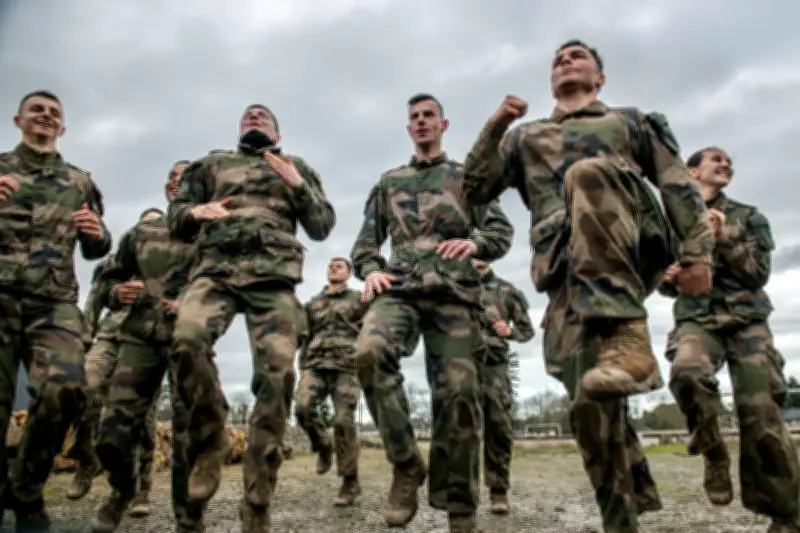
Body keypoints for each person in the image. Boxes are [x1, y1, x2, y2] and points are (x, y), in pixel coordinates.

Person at [459, 40, 715, 533]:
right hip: (566, 273)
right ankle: (624, 515)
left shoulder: (630, 122)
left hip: (632, 245)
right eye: (558, 59)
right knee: (589, 401)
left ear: (600, 78)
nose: (565, 61)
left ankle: (629, 335)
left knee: (587, 173)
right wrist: (495, 125)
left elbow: (677, 184)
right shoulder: (526, 137)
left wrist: (698, 254)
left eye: (577, 56)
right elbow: (471, 191)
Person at [166, 104, 336, 532]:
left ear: (278, 132)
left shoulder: (296, 167)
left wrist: (297, 185)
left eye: (263, 116)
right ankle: (212, 439)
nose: (254, 117)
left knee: (279, 377)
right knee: (185, 339)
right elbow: (176, 217)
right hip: (215, 271)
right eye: (248, 115)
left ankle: (258, 496)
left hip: (273, 278)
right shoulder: (211, 164)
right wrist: (193, 213)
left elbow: (321, 225)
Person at [350, 93, 513, 533]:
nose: (422, 121)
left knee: (460, 393)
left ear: (444, 125)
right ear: (409, 129)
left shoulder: (466, 178)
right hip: (399, 288)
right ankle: (406, 465)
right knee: (368, 352)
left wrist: (476, 243)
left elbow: (500, 231)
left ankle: (459, 506)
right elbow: (365, 245)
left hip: (453, 293)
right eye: (415, 117)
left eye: (429, 116)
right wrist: (370, 271)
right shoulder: (390, 182)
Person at [660, 147, 800, 533]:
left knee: (763, 415)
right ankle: (713, 452)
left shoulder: (749, 216)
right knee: (686, 373)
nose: (725, 164)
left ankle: (786, 517)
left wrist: (723, 239)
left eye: (729, 162)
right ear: (692, 172)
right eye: (716, 159)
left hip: (747, 322)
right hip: (697, 319)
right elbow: (662, 281)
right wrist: (668, 278)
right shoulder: (672, 222)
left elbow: (758, 273)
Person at [0, 90, 111, 531]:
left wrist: (97, 233)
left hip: (54, 301)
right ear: (18, 120)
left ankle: (26, 492)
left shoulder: (79, 181)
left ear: (62, 126)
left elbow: (97, 247)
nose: (45, 116)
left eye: (54, 113)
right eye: (37, 110)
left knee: (65, 389)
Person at [66, 206, 172, 511]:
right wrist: (85, 338)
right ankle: (86, 460)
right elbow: (95, 298)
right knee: (85, 387)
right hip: (110, 335)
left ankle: (142, 490)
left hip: (147, 343)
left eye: (158, 226)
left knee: (144, 420)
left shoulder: (171, 264)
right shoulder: (115, 263)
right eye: (146, 226)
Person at [294, 257, 367, 507]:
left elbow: (370, 330)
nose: (333, 268)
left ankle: (350, 482)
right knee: (302, 407)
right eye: (330, 265)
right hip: (316, 365)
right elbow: (305, 337)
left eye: (339, 266)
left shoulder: (359, 299)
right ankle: (324, 445)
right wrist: (302, 367)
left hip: (347, 366)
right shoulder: (313, 303)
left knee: (343, 421)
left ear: (349, 273)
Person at [472, 259, 534, 515]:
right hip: (460, 363)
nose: (479, 256)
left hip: (494, 365)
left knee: (498, 425)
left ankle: (498, 490)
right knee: (460, 427)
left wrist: (510, 332)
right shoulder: (454, 287)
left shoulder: (507, 291)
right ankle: (463, 494)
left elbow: (527, 330)